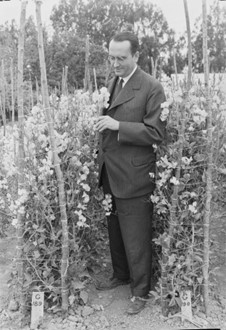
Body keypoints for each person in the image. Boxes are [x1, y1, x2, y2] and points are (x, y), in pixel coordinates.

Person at [95, 31, 166, 315]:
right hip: (111, 170)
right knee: (115, 229)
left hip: (134, 175)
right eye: (111, 57)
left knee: (136, 234)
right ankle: (120, 275)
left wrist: (117, 126)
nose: (115, 63)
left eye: (121, 58)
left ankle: (141, 291)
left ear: (136, 56)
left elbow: (156, 132)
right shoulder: (112, 82)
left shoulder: (151, 87)